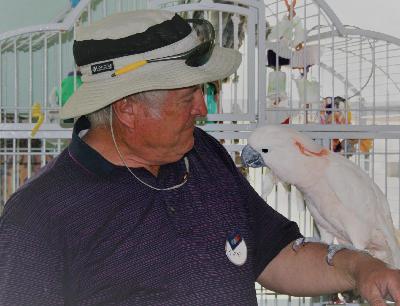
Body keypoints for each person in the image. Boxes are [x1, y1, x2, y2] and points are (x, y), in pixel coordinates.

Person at [0, 9, 399, 306]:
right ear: (127, 108)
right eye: (187, 96)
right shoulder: (40, 215)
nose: (202, 109)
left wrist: (359, 268)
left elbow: (274, 254)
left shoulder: (204, 155)